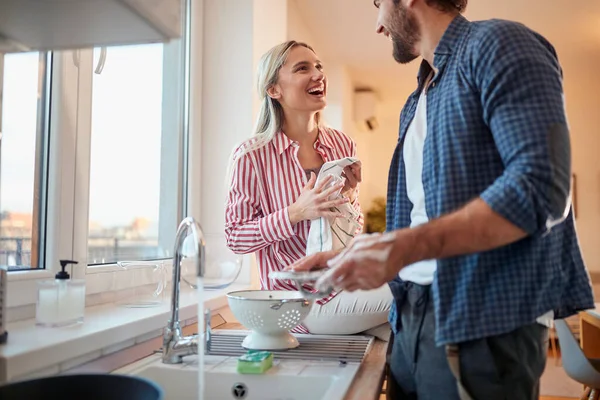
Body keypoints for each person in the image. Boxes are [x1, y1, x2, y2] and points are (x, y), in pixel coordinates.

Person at [290, 0, 595, 399]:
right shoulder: (416, 100)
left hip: (483, 325)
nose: (378, 26)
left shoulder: (500, 44)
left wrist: (402, 247)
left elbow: (540, 188)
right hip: (410, 318)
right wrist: (358, 253)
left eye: (379, 5)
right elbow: (419, 221)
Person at [225, 40, 393, 336]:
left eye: (318, 66)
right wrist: (294, 213)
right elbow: (235, 237)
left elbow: (351, 228)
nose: (318, 74)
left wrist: (349, 199)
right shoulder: (251, 155)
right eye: (303, 68)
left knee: (402, 336)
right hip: (297, 302)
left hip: (343, 284)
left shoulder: (342, 144)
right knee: (415, 291)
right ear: (274, 90)